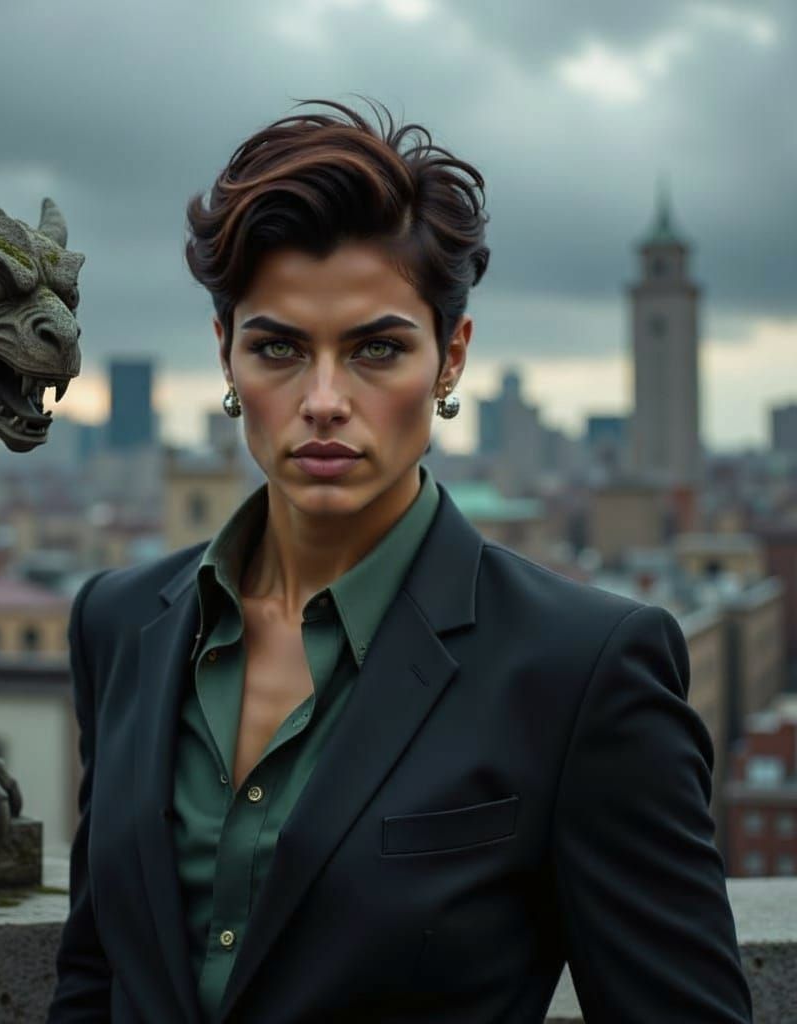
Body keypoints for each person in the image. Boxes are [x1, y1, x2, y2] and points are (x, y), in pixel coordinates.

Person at [47, 98, 752, 1023]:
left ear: (451, 359)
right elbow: (98, 975)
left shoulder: (582, 671)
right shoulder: (120, 621)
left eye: (377, 349)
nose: (325, 400)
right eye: (279, 348)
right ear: (226, 357)